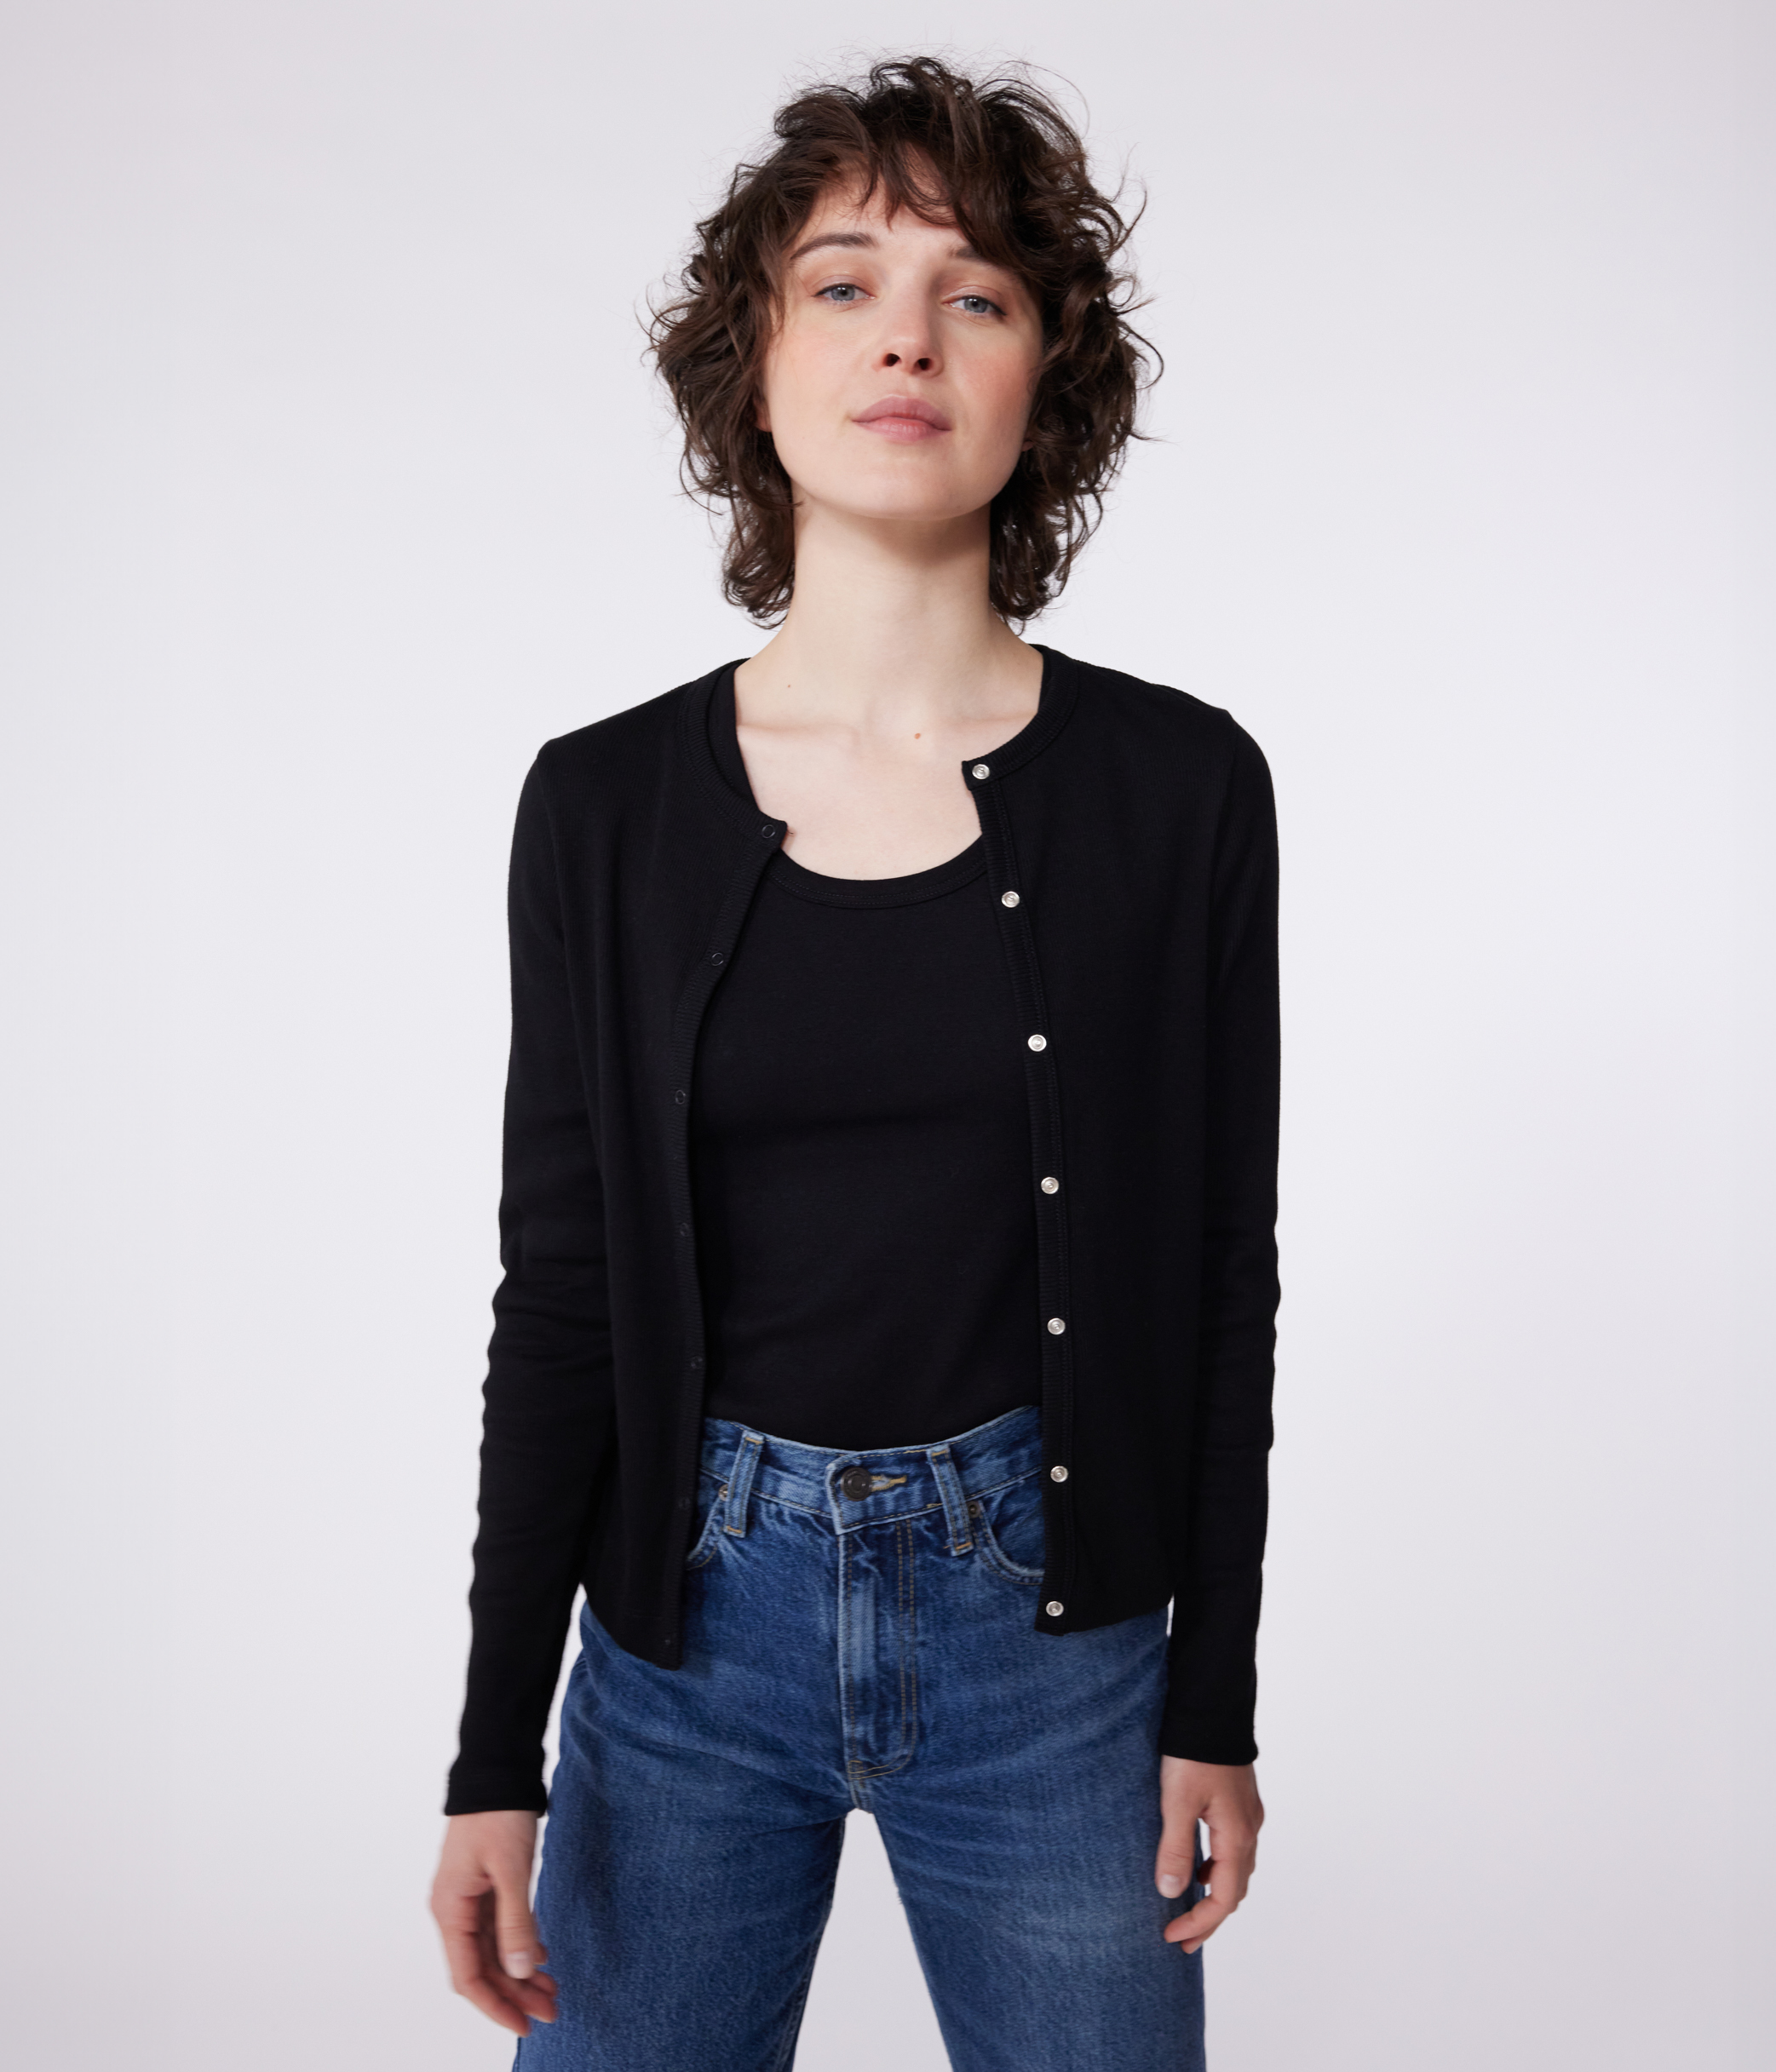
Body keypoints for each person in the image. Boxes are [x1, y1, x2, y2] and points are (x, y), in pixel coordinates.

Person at [429, 54, 1279, 2071]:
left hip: (1057, 1649)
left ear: (1041, 383)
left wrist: (1211, 1700)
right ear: (754, 364)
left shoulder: (1179, 789)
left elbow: (1214, 1273)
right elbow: (562, 1291)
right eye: (842, 282)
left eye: (974, 291)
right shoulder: (601, 806)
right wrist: (490, 1753)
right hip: (684, 1644)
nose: (906, 332)